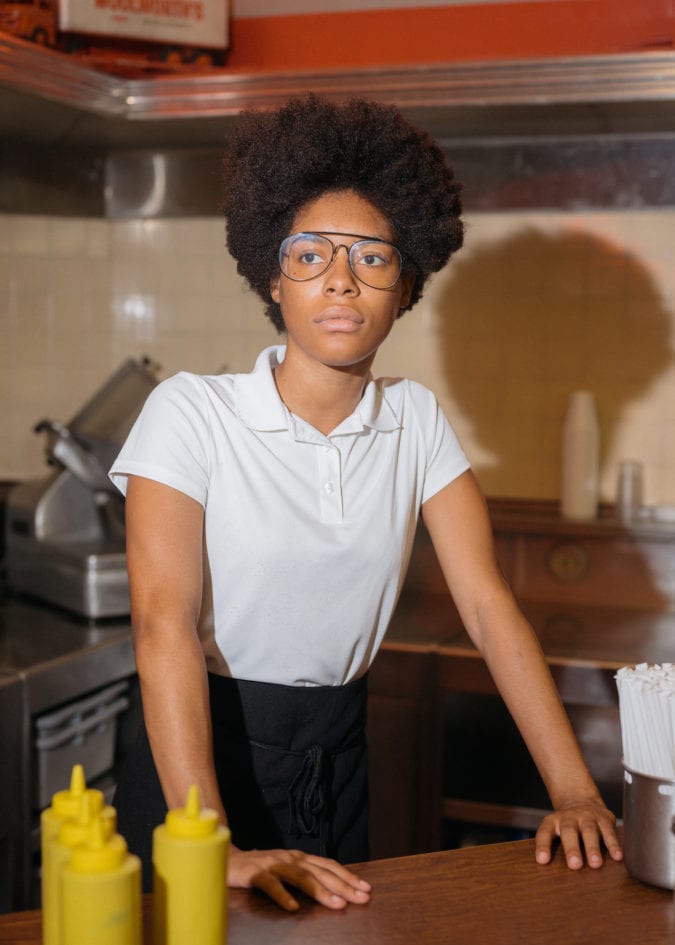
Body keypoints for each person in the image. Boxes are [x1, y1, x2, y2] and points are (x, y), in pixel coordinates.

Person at [109, 94, 622, 912]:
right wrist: (211, 841)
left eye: (372, 258)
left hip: (337, 762)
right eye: (309, 254)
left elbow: (489, 608)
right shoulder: (191, 411)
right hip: (197, 769)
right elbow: (161, 619)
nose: (340, 278)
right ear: (272, 276)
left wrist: (575, 792)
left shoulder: (414, 419)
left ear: (405, 282)